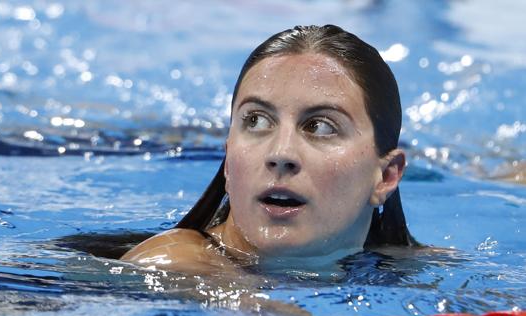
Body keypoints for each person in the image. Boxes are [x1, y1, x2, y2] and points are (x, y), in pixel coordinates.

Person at [121, 24, 418, 273]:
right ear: (227, 159)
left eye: (320, 127)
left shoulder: (419, 274)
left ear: (387, 176)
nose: (281, 154)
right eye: (256, 120)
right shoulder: (167, 266)